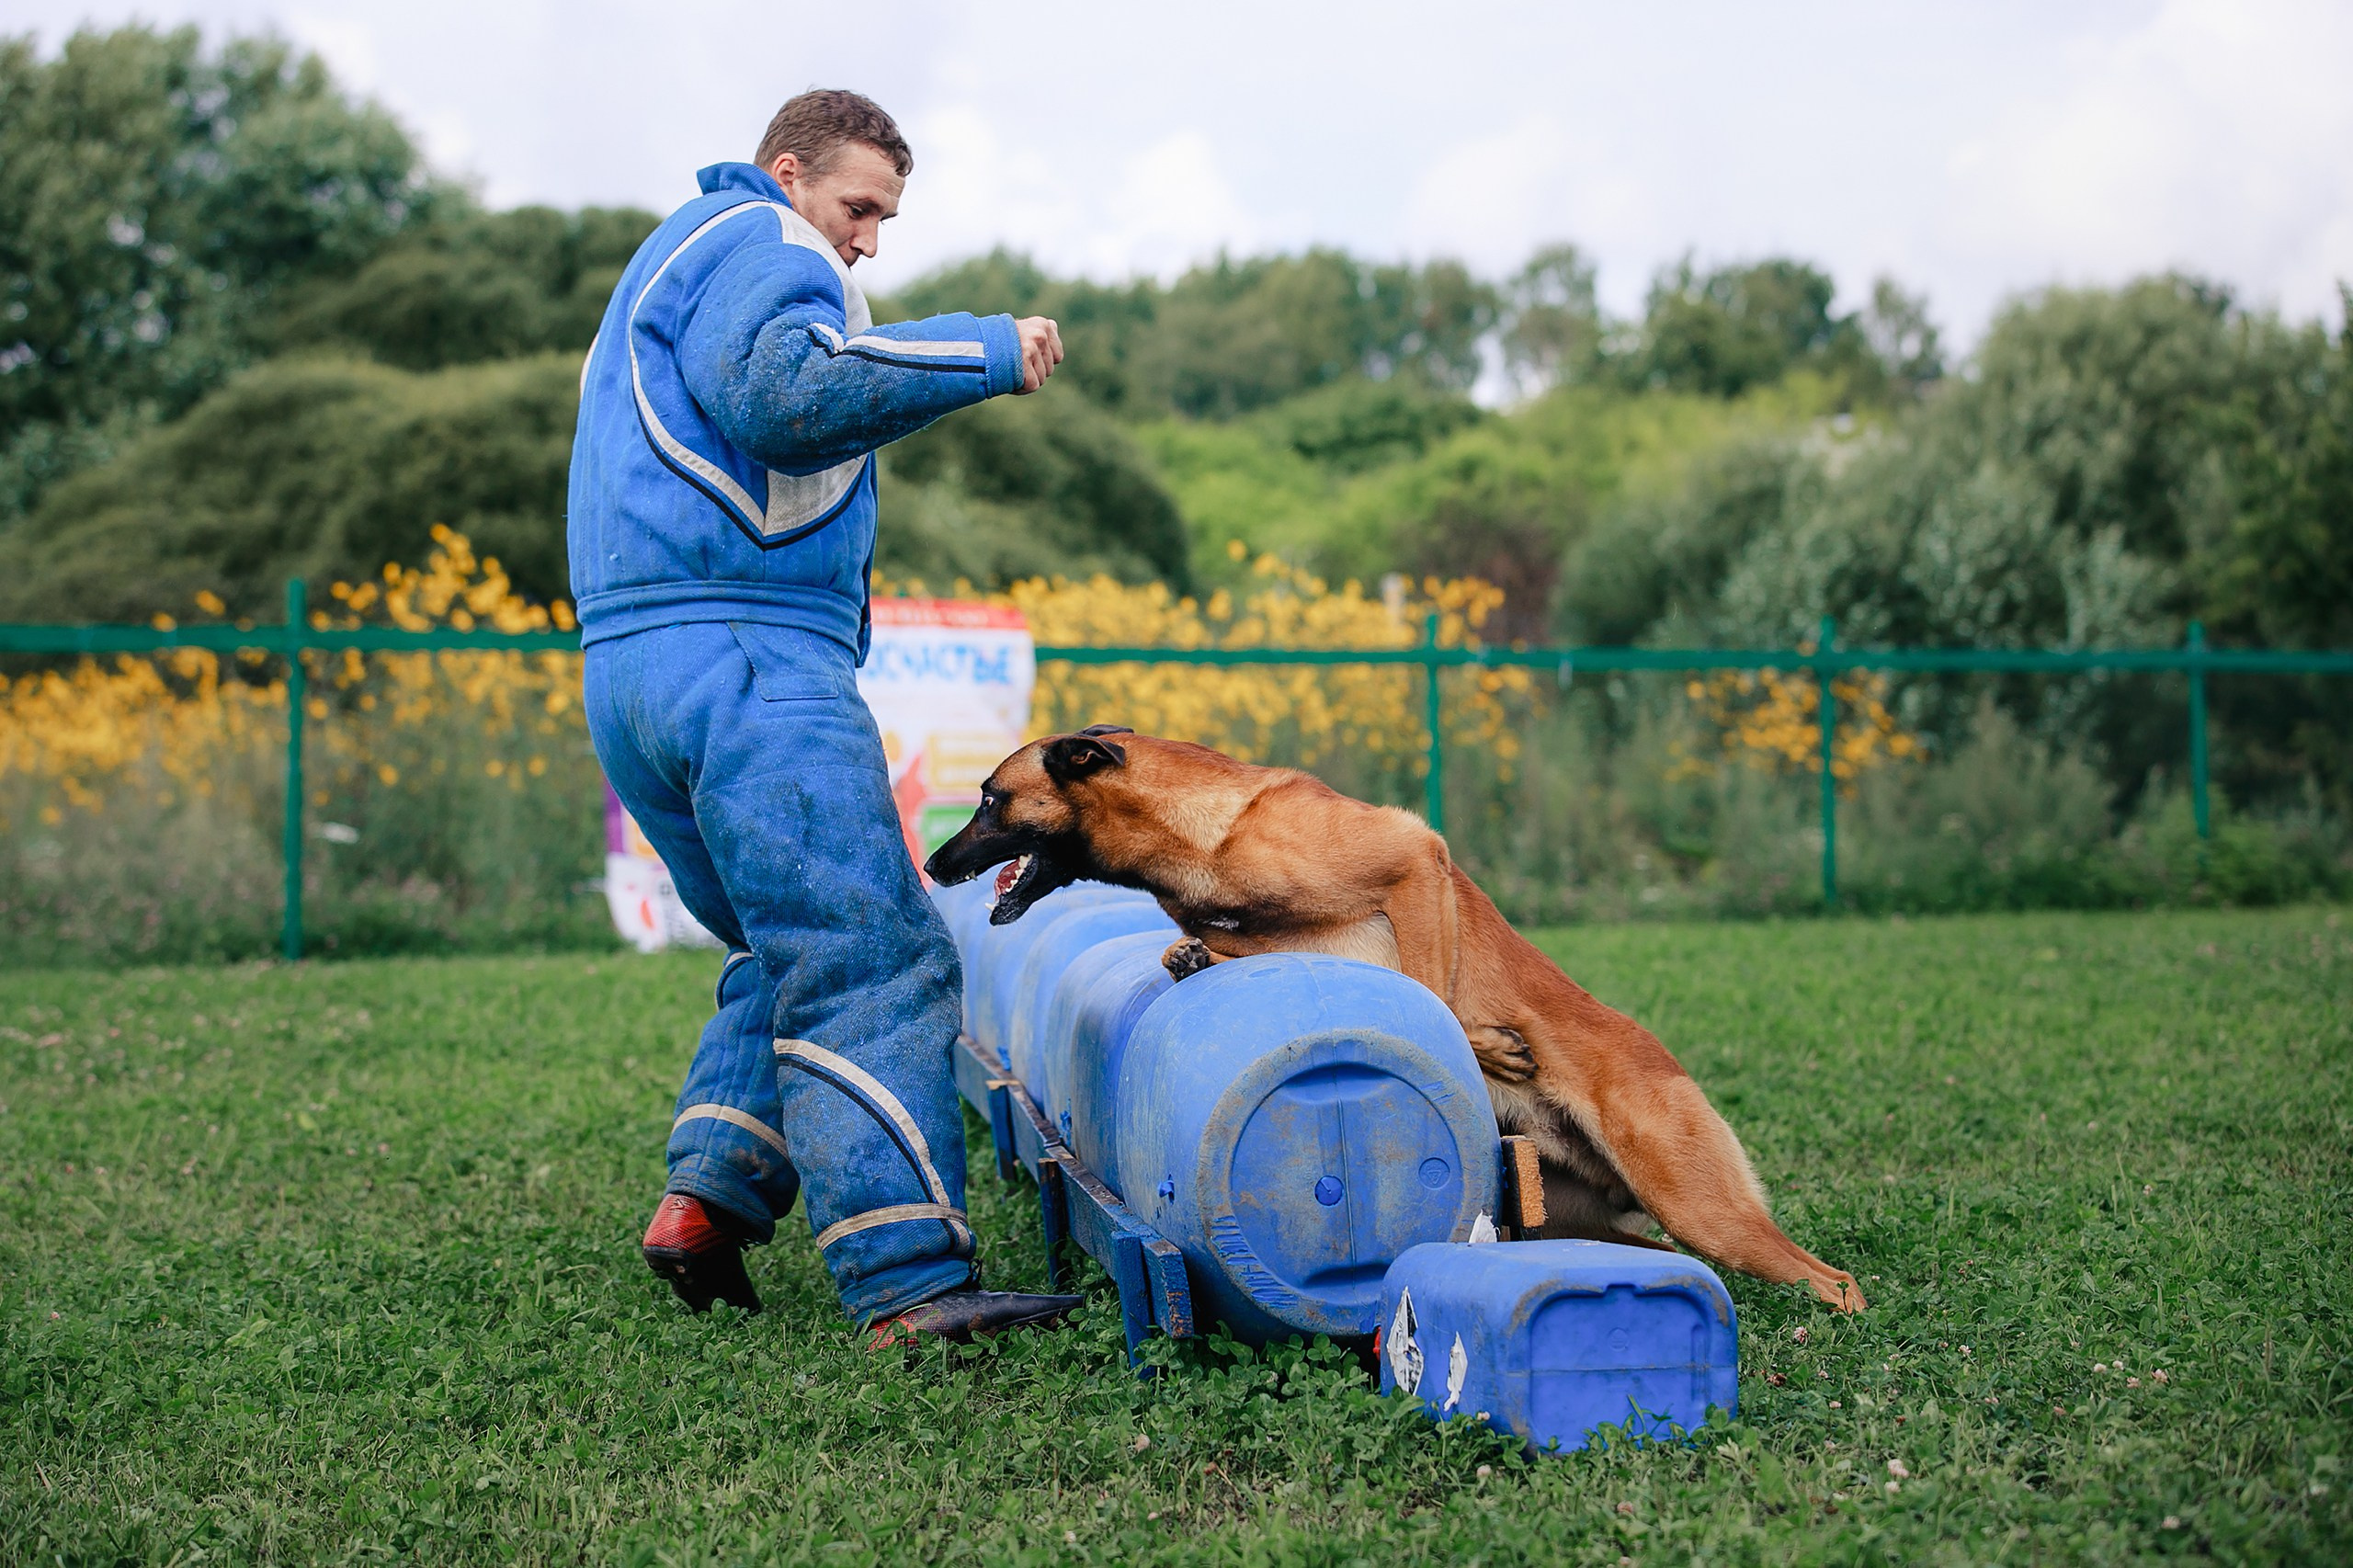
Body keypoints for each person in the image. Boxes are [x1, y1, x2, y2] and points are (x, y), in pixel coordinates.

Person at [568, 89, 1077, 1345]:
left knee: (782, 944)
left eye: (886, 219)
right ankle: (910, 1285)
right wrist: (985, 349)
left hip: (637, 668)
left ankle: (707, 1203)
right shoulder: (765, 239)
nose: (868, 241)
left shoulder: (669, 263)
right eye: (860, 206)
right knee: (873, 954)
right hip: (749, 663)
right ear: (788, 172)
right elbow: (785, 392)